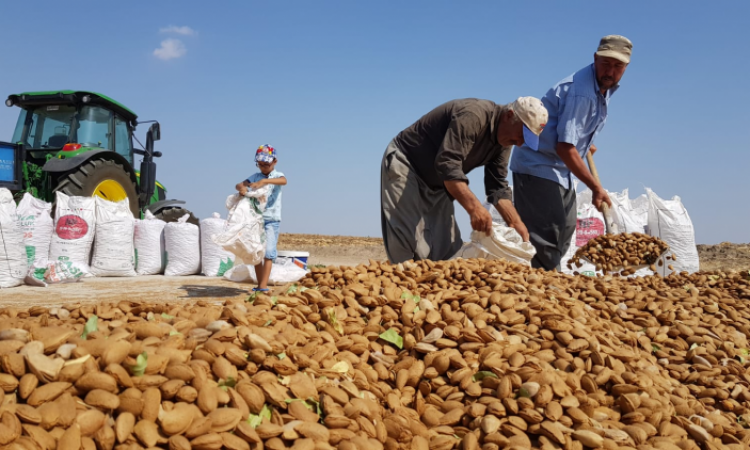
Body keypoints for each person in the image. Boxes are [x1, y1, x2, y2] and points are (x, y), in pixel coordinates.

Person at [509, 35, 633, 271]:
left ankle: (547, 278)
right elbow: (564, 147)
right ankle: (544, 292)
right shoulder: (582, 93)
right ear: (595, 59)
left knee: (564, 228)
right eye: (606, 63)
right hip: (538, 166)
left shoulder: (600, 89)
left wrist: (586, 143)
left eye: (618, 66)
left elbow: (571, 134)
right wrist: (596, 188)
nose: (610, 71)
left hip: (560, 169)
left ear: (626, 68)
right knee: (547, 234)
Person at [380, 97, 548, 264]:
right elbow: (448, 163)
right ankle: (402, 283)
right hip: (408, 164)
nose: (519, 143)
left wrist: (515, 222)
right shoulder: (474, 115)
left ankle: (430, 288)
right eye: (521, 134)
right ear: (509, 115)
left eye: (525, 140)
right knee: (405, 239)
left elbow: (497, 185)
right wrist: (474, 207)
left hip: (438, 182)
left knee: (445, 247)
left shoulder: (504, 142)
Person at [235, 144, 287, 292]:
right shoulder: (254, 177)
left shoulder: (277, 175)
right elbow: (239, 184)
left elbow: (284, 181)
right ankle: (260, 285)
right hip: (256, 219)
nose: (263, 167)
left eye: (266, 164)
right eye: (260, 164)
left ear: (274, 162)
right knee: (256, 250)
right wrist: (242, 189)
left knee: (269, 252)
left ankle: (263, 285)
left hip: (272, 219)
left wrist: (264, 181)